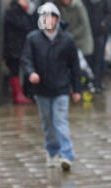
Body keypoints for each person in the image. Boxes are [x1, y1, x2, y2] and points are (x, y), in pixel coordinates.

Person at [21, 2, 81, 171]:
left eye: (52, 17)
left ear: (57, 19)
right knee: (48, 123)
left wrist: (77, 89)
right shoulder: (33, 38)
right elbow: (26, 60)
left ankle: (67, 154)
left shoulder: (67, 40)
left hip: (61, 88)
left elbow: (74, 66)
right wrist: (31, 73)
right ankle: (52, 151)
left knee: (60, 120)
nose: (49, 21)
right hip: (42, 90)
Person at [3, 0, 37, 104]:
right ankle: (17, 95)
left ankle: (30, 93)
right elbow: (21, 25)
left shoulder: (32, 10)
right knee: (14, 70)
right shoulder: (12, 11)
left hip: (28, 45)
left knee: (29, 69)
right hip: (14, 46)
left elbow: (34, 25)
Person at [82, 0, 111, 92]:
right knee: (88, 57)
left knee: (98, 59)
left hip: (100, 33)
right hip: (87, 33)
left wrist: (104, 25)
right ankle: (89, 81)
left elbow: (109, 13)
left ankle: (98, 82)